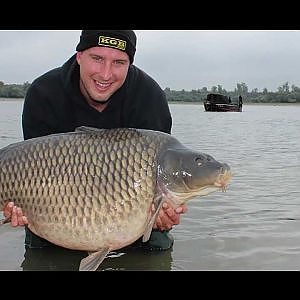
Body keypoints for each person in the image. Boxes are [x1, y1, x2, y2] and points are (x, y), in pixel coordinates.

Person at [3, 30, 187, 256]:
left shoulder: (149, 98)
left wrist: (162, 214)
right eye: (97, 59)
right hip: (52, 205)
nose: (105, 74)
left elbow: (158, 178)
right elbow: (30, 168)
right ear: (79, 56)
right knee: (42, 253)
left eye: (119, 62)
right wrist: (17, 208)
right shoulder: (44, 93)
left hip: (130, 206)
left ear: (130, 64)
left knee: (157, 241)